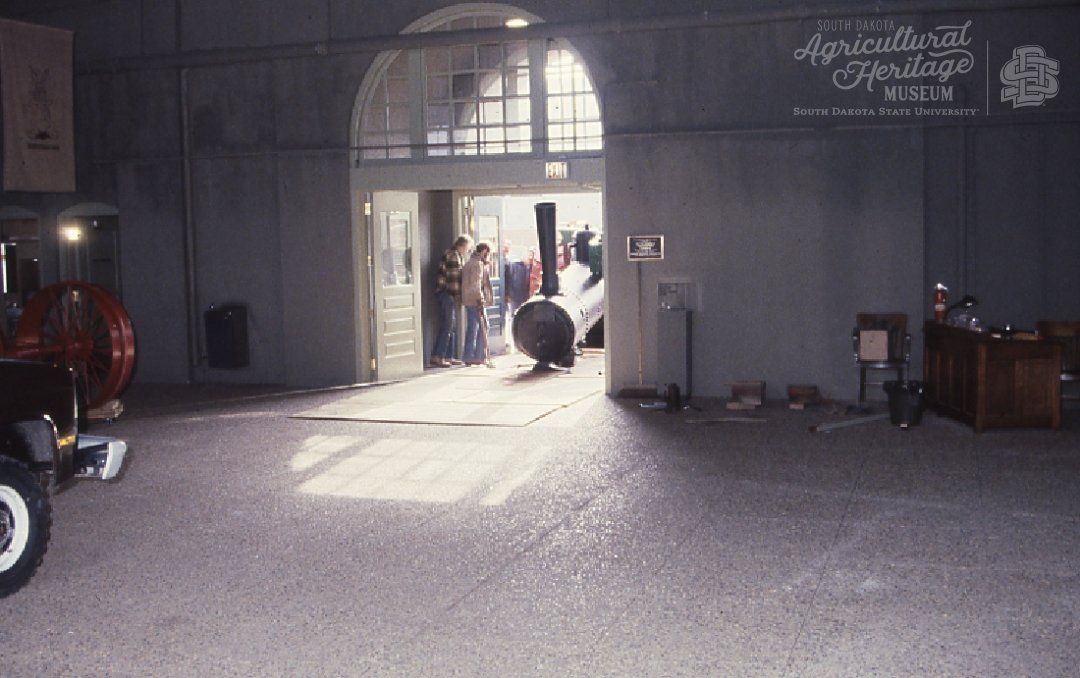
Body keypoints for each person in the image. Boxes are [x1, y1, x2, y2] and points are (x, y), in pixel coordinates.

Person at [431, 234, 472, 367]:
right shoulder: (453, 256)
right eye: (468, 247)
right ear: (463, 245)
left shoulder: (456, 255)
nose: (468, 250)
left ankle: (448, 355)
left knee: (452, 325)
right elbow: (453, 280)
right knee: (448, 324)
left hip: (447, 293)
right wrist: (457, 297)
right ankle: (439, 356)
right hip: (446, 293)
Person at [461, 242, 494, 367]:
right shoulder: (477, 265)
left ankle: (469, 356)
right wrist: (480, 299)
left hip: (469, 298)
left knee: (473, 327)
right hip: (475, 299)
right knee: (484, 326)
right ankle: (479, 356)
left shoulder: (469, 263)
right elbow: (476, 284)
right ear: (484, 251)